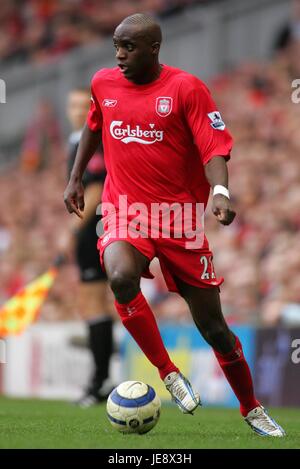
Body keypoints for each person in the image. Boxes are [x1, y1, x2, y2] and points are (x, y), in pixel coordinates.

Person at [64, 14, 285, 436]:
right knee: (121, 277)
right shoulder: (104, 83)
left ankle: (251, 407)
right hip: (123, 209)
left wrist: (220, 192)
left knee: (215, 329)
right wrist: (75, 177)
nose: (119, 55)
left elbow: (213, 147)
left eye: (128, 47)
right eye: (116, 45)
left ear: (154, 49)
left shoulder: (186, 89)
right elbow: (94, 126)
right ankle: (168, 372)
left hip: (179, 220)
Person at [60, 87, 114, 407]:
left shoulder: (92, 140)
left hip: (95, 226)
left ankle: (100, 381)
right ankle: (101, 379)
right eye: (73, 104)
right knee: (93, 302)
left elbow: (94, 188)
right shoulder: (74, 140)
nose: (78, 110)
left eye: (85, 105)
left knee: (95, 302)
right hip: (89, 228)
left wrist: (72, 229)